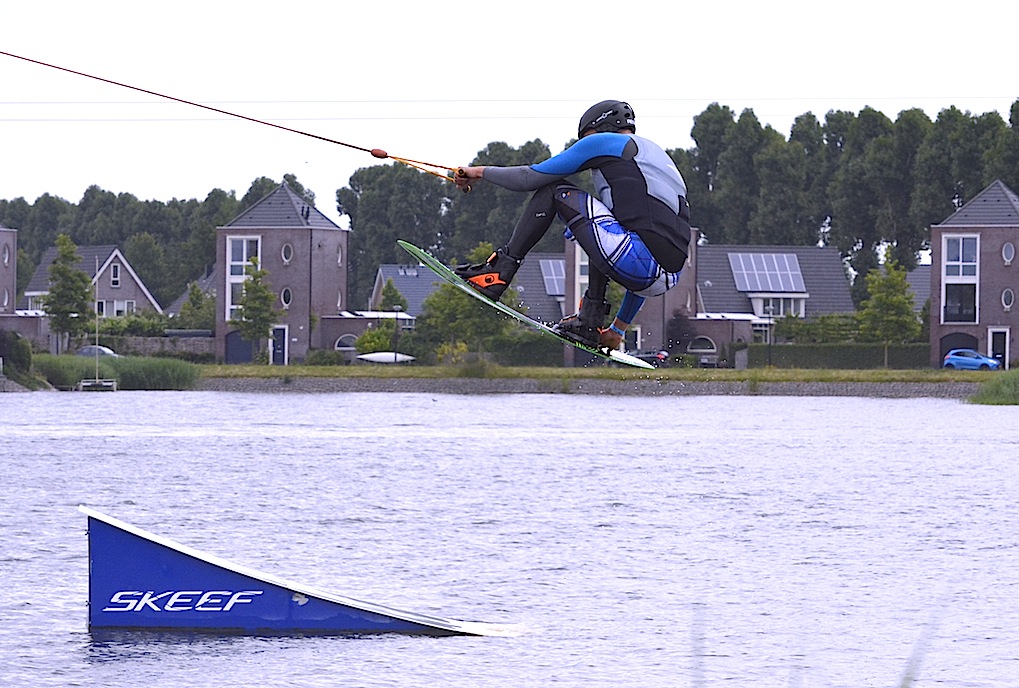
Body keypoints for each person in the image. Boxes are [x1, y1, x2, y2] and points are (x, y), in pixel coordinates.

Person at [453, 100, 690, 350]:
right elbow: (656, 246)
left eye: (585, 139)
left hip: (637, 258)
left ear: (599, 128)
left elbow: (529, 178)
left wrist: (479, 172)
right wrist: (618, 328)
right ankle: (590, 321)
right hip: (667, 276)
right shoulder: (658, 159)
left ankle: (498, 273)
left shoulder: (605, 141)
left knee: (553, 189)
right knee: (611, 223)